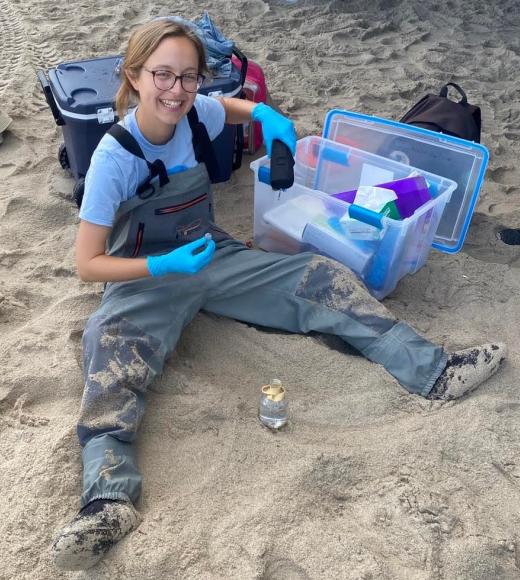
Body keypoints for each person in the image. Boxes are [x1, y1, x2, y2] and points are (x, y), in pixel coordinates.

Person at [51, 19, 506, 571]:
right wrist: (161, 264)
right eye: (162, 75)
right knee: (109, 344)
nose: (176, 90)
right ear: (134, 76)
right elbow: (86, 263)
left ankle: (433, 372)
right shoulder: (113, 157)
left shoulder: (197, 114)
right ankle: (108, 499)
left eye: (188, 77)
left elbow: (233, 109)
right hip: (146, 271)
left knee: (319, 275)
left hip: (211, 254)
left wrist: (265, 113)